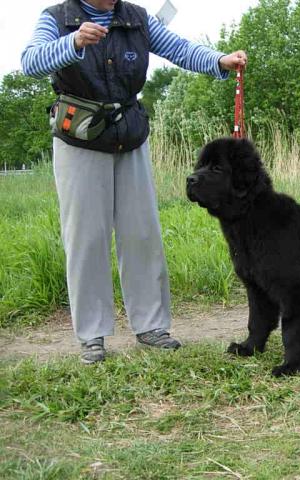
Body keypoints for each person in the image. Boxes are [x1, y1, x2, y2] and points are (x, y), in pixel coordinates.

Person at [21, 0, 247, 364]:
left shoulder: (136, 18)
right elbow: (30, 62)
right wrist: (74, 42)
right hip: (80, 137)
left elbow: (179, 48)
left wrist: (219, 61)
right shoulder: (57, 18)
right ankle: (92, 335)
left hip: (131, 135)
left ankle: (151, 326)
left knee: (142, 232)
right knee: (87, 238)